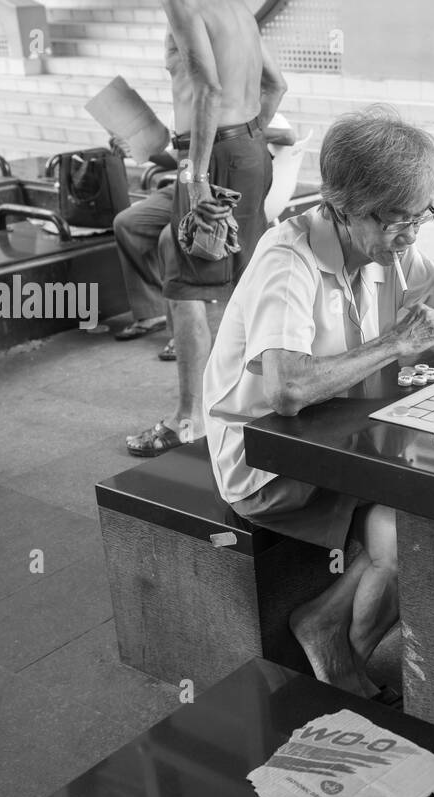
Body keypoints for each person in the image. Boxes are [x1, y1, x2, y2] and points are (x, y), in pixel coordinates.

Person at [203, 107, 434, 698]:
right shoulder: (289, 258)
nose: (409, 234)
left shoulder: (386, 244)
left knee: (425, 520)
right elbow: (286, 389)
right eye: (395, 221)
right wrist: (393, 343)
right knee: (420, 519)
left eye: (420, 216)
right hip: (266, 463)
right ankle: (335, 643)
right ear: (341, 205)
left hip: (339, 440)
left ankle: (333, 633)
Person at [126, 0, 286, 456]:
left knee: (183, 286)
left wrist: (198, 173)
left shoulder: (182, 4)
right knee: (244, 282)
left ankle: (188, 419)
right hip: (249, 150)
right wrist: (246, 141)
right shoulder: (235, 8)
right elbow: (276, 84)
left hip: (213, 157)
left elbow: (209, 91)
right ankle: (256, 403)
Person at [111, 118, 298, 360]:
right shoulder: (184, 104)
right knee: (127, 223)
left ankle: (183, 333)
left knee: (172, 239)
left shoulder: (247, 102)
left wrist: (232, 134)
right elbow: (178, 158)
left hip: (229, 184)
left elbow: (288, 136)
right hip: (187, 180)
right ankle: (151, 310)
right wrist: (140, 150)